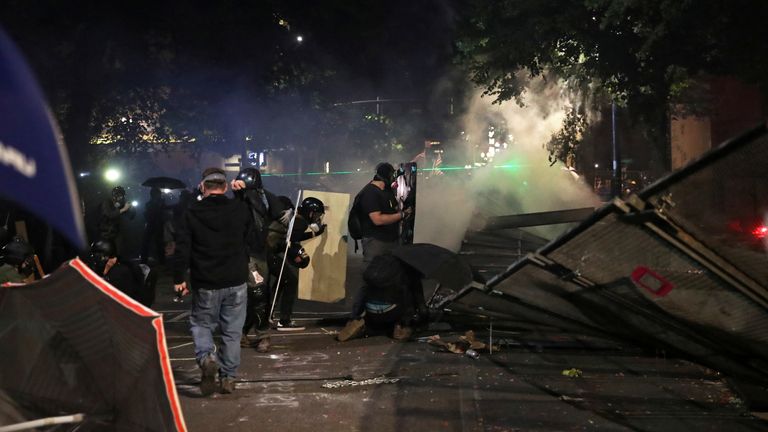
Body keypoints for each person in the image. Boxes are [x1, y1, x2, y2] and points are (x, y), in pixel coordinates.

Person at [173, 167, 252, 396]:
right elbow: (253, 230)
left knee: (201, 324)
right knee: (232, 332)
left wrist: (179, 278)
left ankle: (207, 357)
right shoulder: (239, 208)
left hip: (206, 280)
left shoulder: (191, 212)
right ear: (225, 187)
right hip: (236, 279)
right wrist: (242, 194)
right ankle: (228, 377)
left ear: (202, 187)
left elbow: (182, 248)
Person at [338, 162, 412, 341]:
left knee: (396, 280)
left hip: (390, 241)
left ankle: (397, 322)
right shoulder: (370, 193)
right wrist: (402, 215)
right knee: (370, 279)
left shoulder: (385, 192)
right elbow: (377, 219)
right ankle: (355, 319)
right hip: (376, 242)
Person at [231, 168, 288, 352]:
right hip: (242, 253)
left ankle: (256, 334)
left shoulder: (265, 197)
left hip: (258, 253)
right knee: (249, 295)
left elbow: (285, 218)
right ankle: (250, 333)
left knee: (258, 294)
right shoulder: (238, 200)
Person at [267, 196, 326, 332]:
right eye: (316, 214)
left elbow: (293, 237)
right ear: (310, 213)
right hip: (270, 253)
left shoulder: (297, 219)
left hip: (267, 253)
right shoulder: (301, 222)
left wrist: (312, 235)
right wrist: (298, 255)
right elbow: (291, 241)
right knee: (290, 281)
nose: (316, 218)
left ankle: (268, 314)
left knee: (282, 282)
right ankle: (284, 321)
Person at [340, 253, 426, 342]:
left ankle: (364, 326)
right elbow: (415, 303)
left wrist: (354, 316)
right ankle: (400, 326)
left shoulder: (378, 264)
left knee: (374, 301)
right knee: (408, 296)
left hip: (371, 310)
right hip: (391, 311)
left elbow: (362, 294)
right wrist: (409, 320)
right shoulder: (408, 268)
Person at [84, 239, 155, 307]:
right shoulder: (111, 268)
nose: (94, 258)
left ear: (106, 256)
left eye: (96, 255)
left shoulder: (119, 272)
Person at [97, 186, 134, 255]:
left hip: (116, 231)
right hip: (105, 231)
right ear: (114, 195)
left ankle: (118, 261)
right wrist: (123, 209)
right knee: (106, 251)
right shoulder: (107, 202)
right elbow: (109, 214)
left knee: (119, 250)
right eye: (119, 195)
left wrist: (131, 208)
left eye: (122, 196)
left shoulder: (121, 204)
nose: (121, 197)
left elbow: (131, 217)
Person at [140, 187, 166, 265]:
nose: (160, 195)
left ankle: (161, 261)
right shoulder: (150, 203)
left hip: (156, 224)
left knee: (158, 244)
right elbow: (148, 213)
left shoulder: (157, 203)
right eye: (159, 194)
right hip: (153, 224)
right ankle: (145, 261)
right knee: (149, 243)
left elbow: (162, 213)